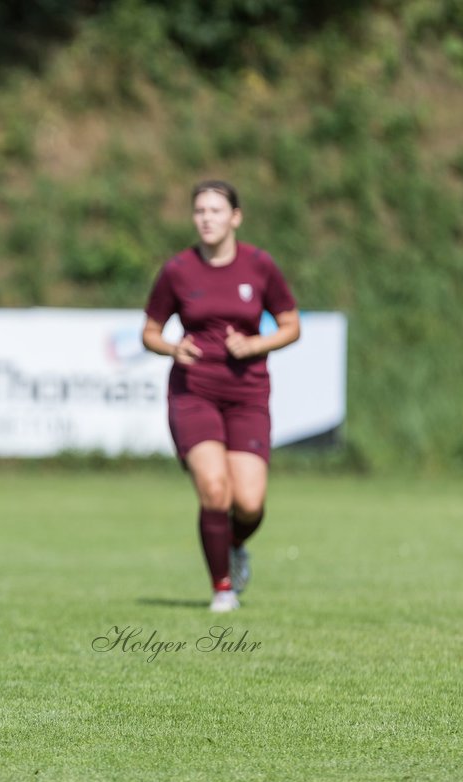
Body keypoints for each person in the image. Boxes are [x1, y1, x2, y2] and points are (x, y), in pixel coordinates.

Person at [141, 180, 300, 613]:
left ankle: (233, 543)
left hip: (247, 393)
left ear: (235, 217)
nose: (206, 218)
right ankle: (222, 588)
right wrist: (174, 347)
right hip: (194, 391)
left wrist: (255, 345)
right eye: (199, 211)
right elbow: (149, 332)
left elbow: (291, 324)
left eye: (215, 210)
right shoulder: (178, 270)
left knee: (248, 503)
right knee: (215, 490)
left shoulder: (260, 266)